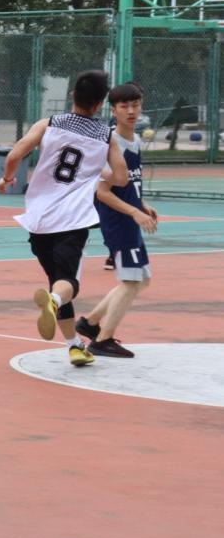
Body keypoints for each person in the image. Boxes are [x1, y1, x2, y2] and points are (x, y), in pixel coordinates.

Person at [0, 70, 128, 368]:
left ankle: (74, 346)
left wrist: (6, 178)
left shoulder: (48, 124)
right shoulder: (105, 136)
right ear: (99, 104)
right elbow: (120, 178)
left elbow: (15, 155)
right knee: (68, 284)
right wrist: (98, 171)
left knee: (56, 282)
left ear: (73, 95)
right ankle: (53, 302)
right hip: (72, 220)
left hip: (38, 219)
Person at [78, 82, 156, 359]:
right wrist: (133, 212)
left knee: (140, 279)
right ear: (114, 110)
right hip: (118, 222)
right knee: (131, 282)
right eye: (124, 106)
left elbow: (129, 182)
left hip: (130, 219)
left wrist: (141, 203)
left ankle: (90, 323)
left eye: (135, 105)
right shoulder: (110, 144)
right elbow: (102, 193)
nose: (131, 111)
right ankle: (102, 340)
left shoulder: (133, 139)